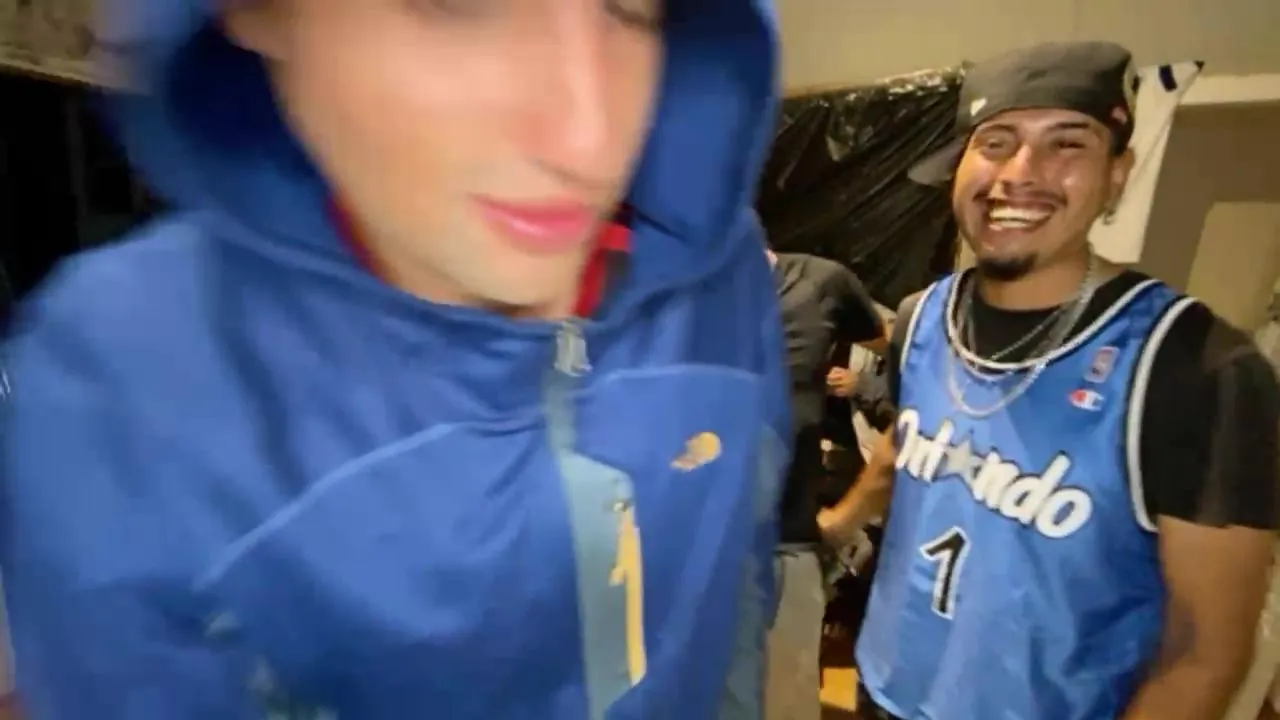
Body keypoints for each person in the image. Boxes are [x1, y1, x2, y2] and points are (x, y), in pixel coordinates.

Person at [1, 1, 789, 718]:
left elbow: (736, 600)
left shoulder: (715, 274)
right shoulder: (119, 388)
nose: (587, 138)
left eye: (633, 8)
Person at [818, 41, 1280, 720]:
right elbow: (909, 441)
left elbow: (1204, 651)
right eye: (996, 142)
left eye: (1067, 143)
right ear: (958, 170)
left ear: (1118, 174)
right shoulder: (921, 317)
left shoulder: (1199, 369)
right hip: (886, 687)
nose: (1021, 172)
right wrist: (838, 523)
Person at [765, 248, 882, 719]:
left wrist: (844, 520)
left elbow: (898, 357)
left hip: (785, 546)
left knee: (783, 704)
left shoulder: (821, 282)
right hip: (678, 552)